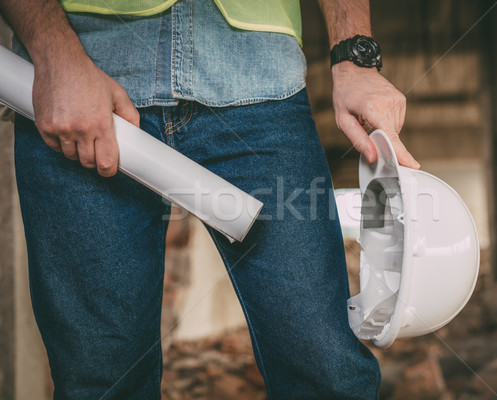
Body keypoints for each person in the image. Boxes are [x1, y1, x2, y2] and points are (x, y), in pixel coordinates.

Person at [0, 0, 419, 398]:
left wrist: (354, 55)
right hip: (84, 73)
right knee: (102, 381)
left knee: (329, 376)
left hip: (261, 77)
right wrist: (53, 53)